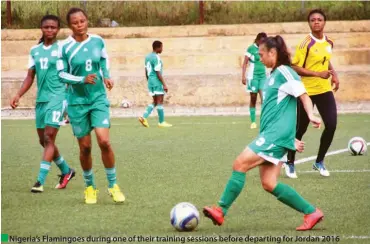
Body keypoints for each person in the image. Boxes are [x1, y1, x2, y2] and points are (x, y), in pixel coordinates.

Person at [203, 36, 324, 231]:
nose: (259, 58)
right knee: (269, 183)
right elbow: (283, 109)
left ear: (272, 53)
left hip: (273, 136)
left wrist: (311, 114)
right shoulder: (273, 75)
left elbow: (303, 95)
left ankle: (221, 210)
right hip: (275, 135)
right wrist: (289, 137)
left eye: (261, 54)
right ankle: (311, 212)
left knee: (239, 164)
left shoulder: (285, 71)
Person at [57, 7, 125, 204]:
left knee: (104, 141)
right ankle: (89, 187)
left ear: (87, 21)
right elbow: (61, 74)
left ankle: (113, 185)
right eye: (75, 23)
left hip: (97, 99)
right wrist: (81, 79)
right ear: (69, 25)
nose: (80, 25)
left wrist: (107, 76)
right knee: (85, 147)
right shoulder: (64, 47)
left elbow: (103, 59)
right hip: (76, 102)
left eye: (82, 21)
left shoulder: (97, 41)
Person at [10, 15, 75, 193]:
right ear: (41, 28)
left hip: (59, 97)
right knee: (43, 141)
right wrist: (18, 95)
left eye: (53, 27)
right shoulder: (35, 50)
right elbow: (30, 76)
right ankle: (66, 170)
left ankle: (39, 181)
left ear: (58, 29)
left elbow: (72, 70)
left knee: (48, 137)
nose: (50, 30)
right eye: (47, 27)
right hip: (41, 100)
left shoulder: (63, 48)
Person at [284, 9, 339, 179]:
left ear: (324, 22)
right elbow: (295, 67)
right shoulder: (305, 44)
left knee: (331, 125)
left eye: (319, 19)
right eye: (313, 20)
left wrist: (334, 74)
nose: (316, 22)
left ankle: (319, 161)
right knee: (300, 128)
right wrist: (317, 74)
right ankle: (290, 162)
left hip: (324, 90)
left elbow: (326, 59)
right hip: (305, 92)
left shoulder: (329, 42)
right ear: (309, 23)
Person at [139, 41, 172, 128]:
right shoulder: (156, 57)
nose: (162, 49)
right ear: (157, 48)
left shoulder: (147, 57)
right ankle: (161, 122)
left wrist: (149, 80)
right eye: (161, 47)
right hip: (157, 81)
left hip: (150, 81)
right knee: (160, 101)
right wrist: (164, 84)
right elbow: (158, 72)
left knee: (155, 101)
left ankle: (143, 117)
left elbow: (146, 71)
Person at [242, 32, 268, 129]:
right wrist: (243, 76)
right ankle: (253, 121)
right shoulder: (251, 49)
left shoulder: (265, 48)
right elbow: (245, 63)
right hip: (253, 77)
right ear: (257, 40)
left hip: (263, 76)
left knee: (264, 99)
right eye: (261, 41)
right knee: (253, 98)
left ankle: (264, 121)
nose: (262, 43)